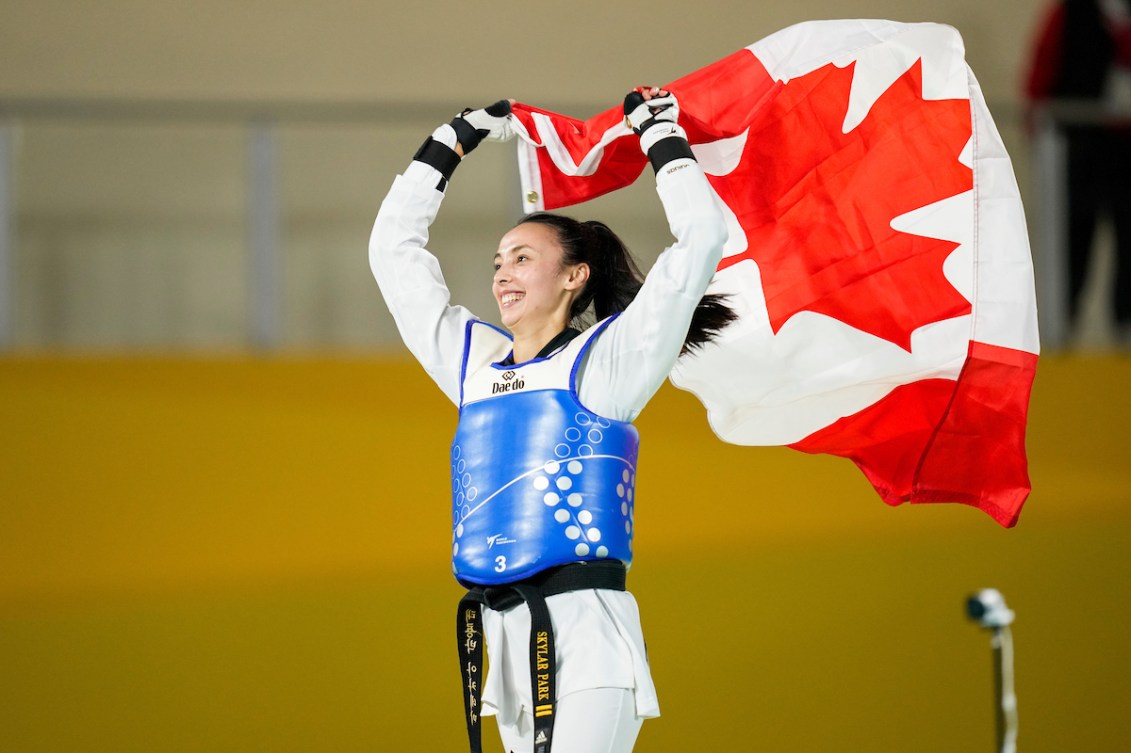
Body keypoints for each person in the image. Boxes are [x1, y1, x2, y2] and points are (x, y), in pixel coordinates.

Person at [369, 88, 732, 753]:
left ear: (575, 277)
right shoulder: (472, 361)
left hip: (588, 635)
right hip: (503, 637)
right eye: (498, 261)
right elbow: (394, 254)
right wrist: (450, 143)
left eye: (524, 258)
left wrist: (659, 137)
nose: (502, 274)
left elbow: (701, 238)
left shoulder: (606, 362)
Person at [1023, 0, 1131, 342]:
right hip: (1077, 152)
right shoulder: (1069, 13)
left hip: (1126, 157)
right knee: (1070, 245)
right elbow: (1041, 74)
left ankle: (1124, 331)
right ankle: (1059, 333)